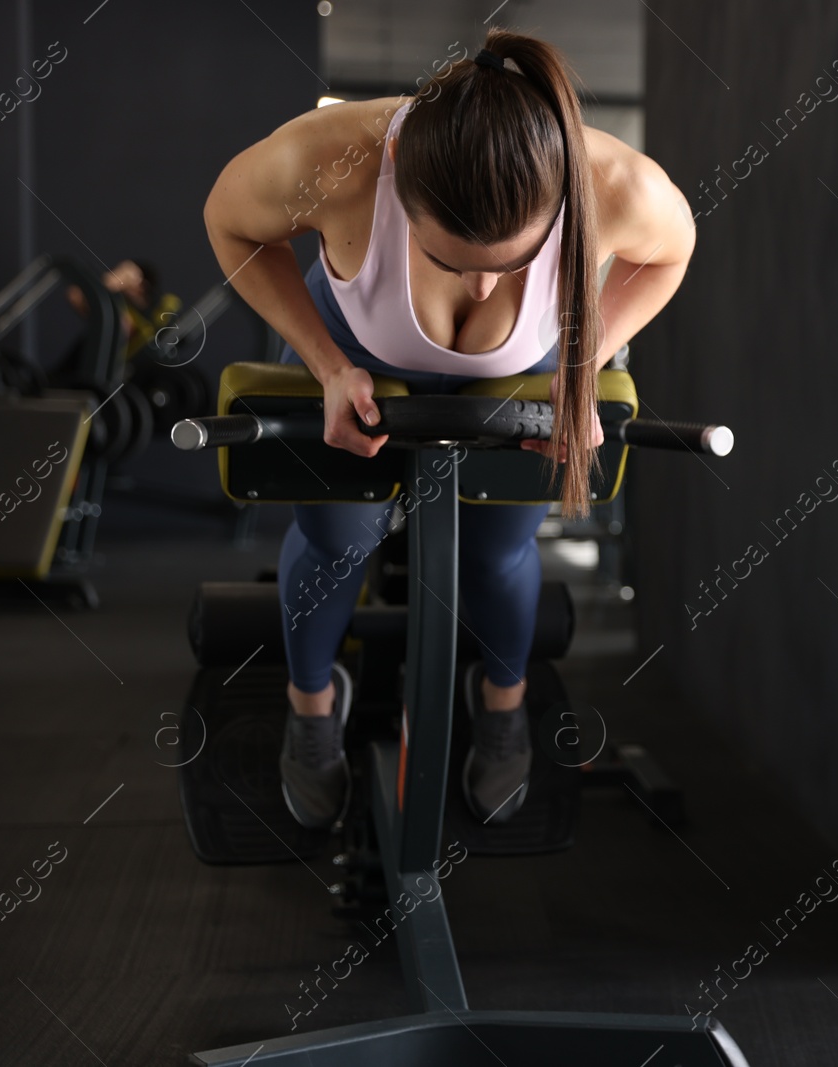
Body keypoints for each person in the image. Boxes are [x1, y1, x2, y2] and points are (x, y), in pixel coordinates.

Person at [202, 29, 695, 829]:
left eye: (509, 265)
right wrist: (326, 365)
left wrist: (581, 362)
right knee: (337, 540)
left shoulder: (610, 182)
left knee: (499, 553)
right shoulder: (337, 159)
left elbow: (673, 252)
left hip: (514, 380)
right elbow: (229, 224)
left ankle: (502, 700)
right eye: (451, 258)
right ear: (400, 195)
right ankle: (312, 703)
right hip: (365, 361)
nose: (481, 282)